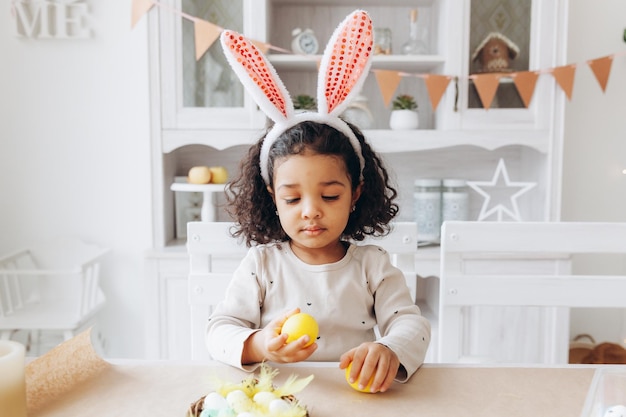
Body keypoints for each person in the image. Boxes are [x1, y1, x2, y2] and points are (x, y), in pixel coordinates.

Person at [206, 10, 431, 394]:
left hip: (355, 398)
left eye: (330, 195)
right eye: (292, 198)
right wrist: (259, 344)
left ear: (356, 193)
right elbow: (219, 330)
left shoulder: (371, 265)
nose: (311, 209)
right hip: (277, 397)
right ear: (273, 198)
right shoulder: (262, 264)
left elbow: (412, 324)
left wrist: (388, 348)